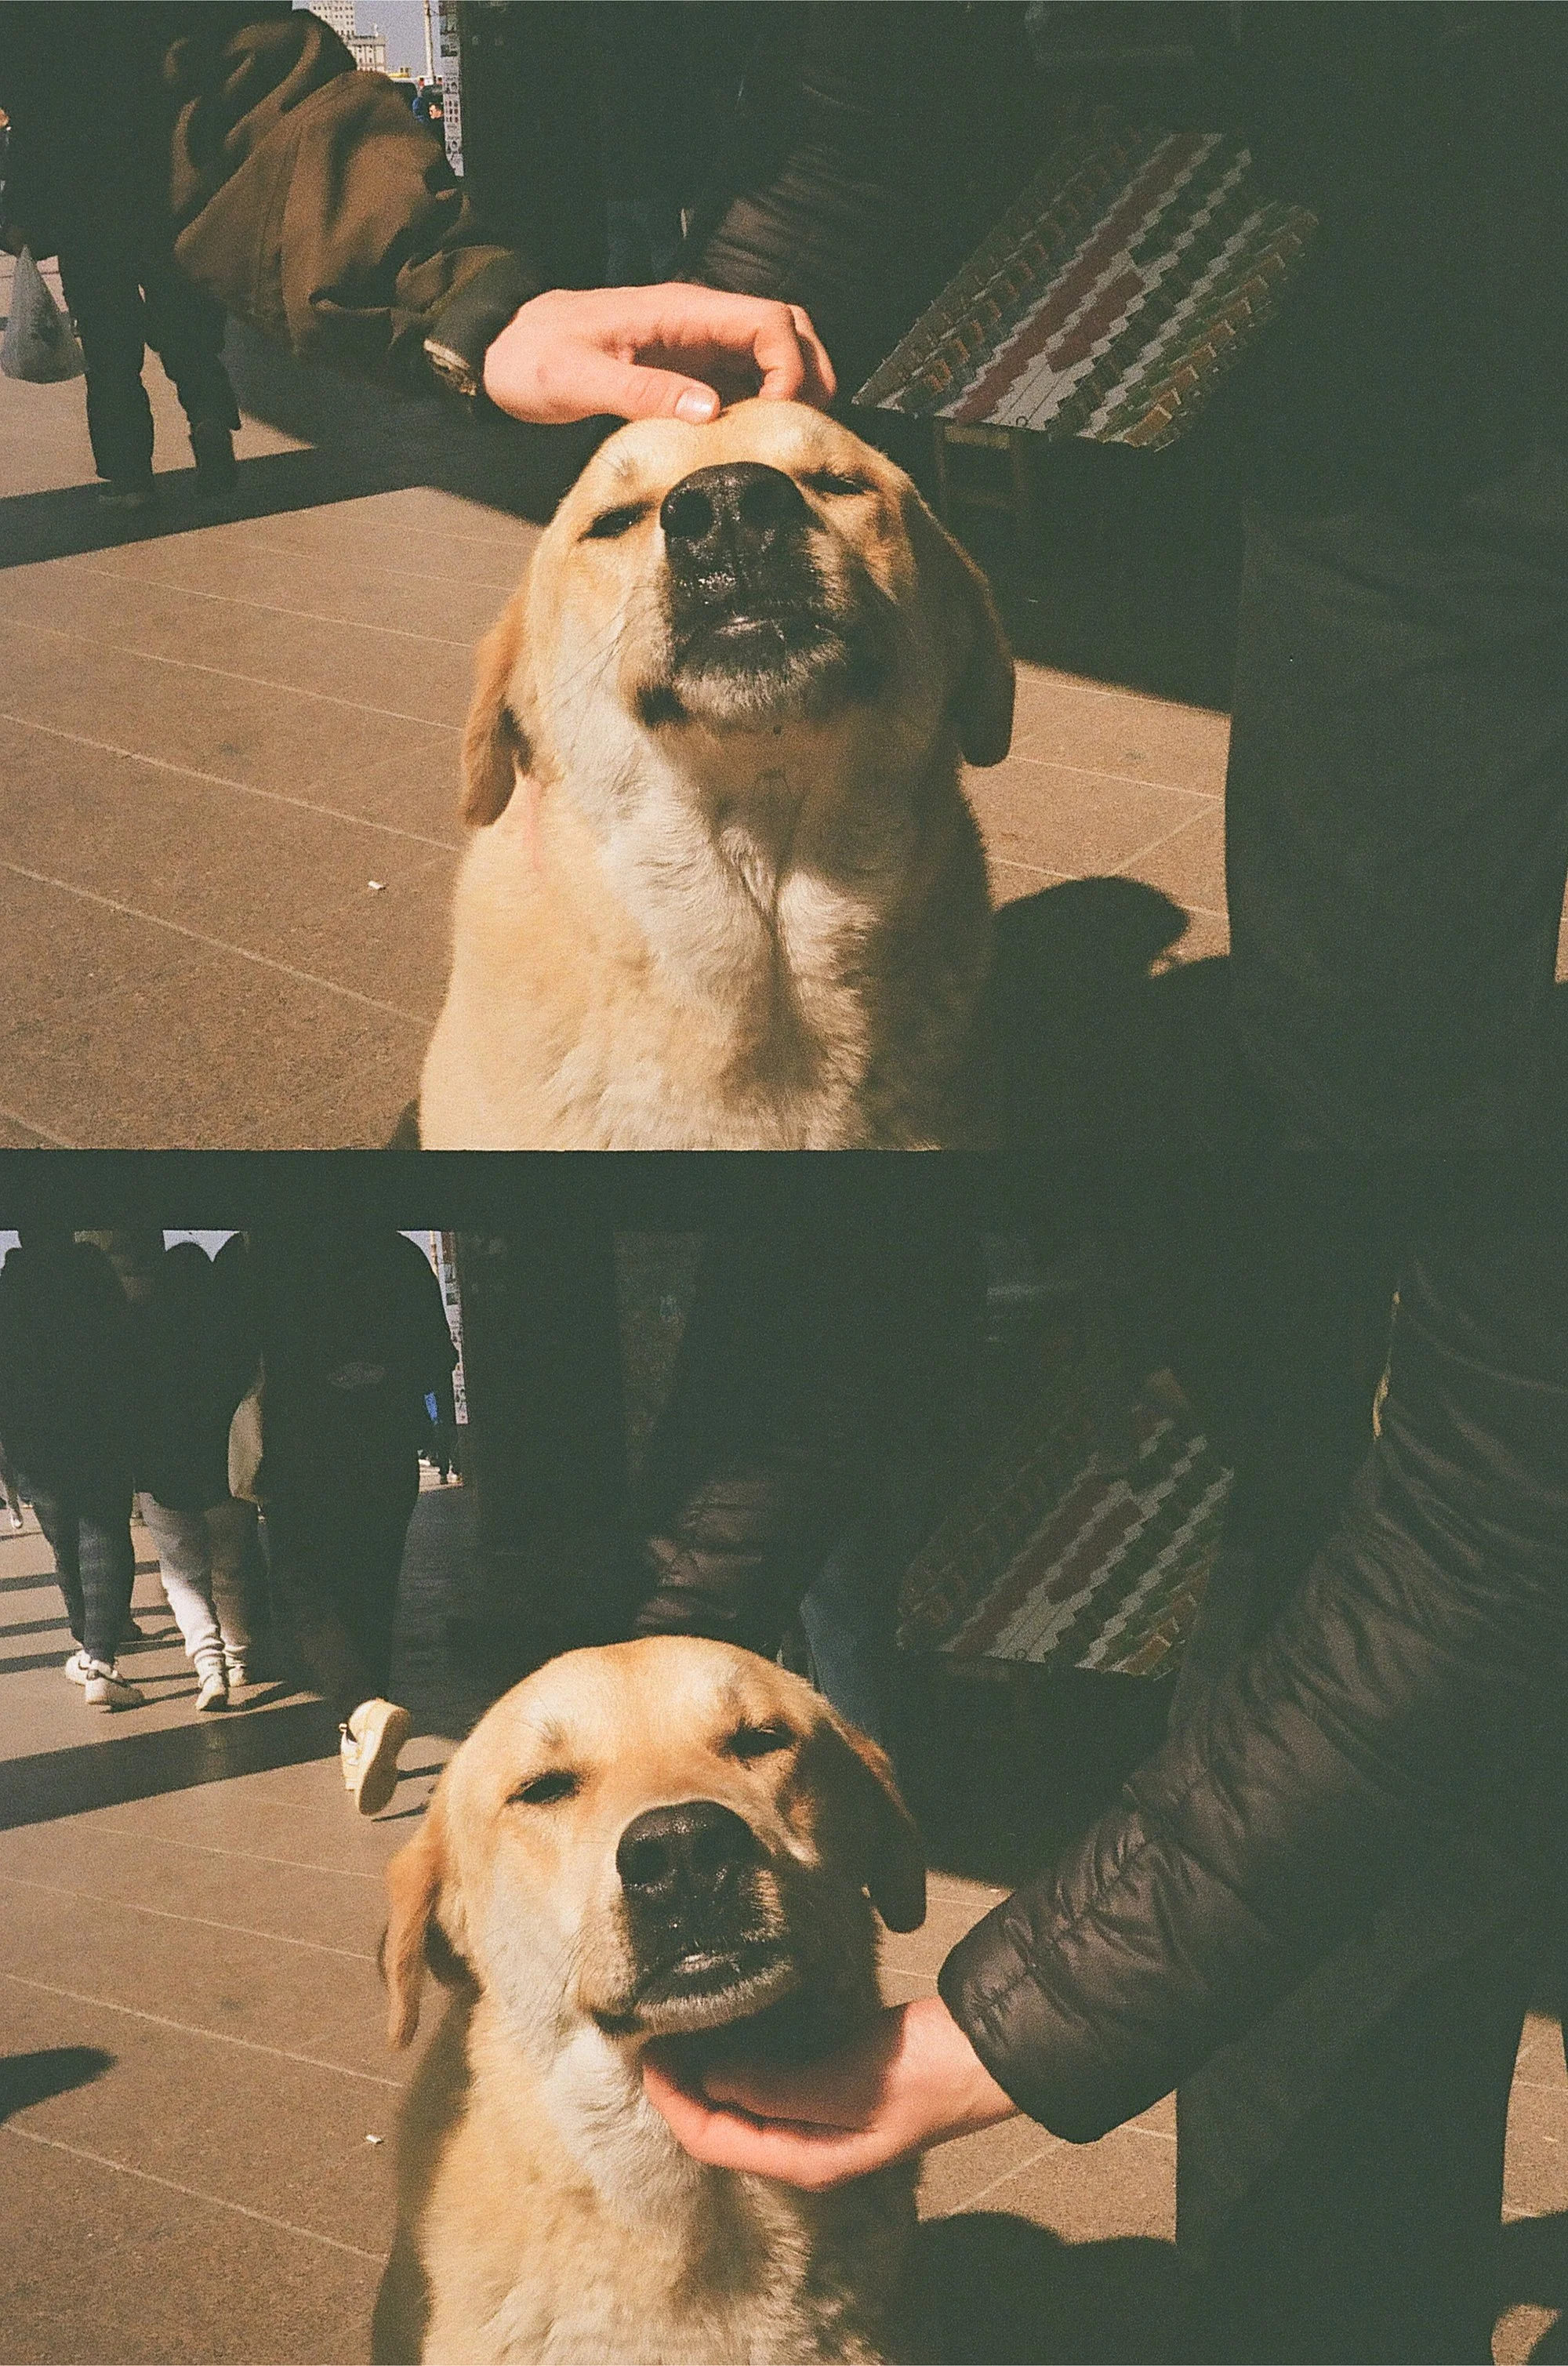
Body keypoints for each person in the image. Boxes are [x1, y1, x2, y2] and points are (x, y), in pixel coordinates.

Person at [220, 1226, 457, 1815]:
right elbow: (436, 1354)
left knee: (304, 1595)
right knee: (373, 1593)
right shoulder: (398, 1251)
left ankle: (363, 1709)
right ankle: (358, 1738)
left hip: (304, 1450)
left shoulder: (269, 1253)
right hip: (387, 1448)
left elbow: (226, 1353)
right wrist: (382, 1375)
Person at [0, 6, 241, 508]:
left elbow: (30, 122)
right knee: (186, 327)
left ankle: (133, 477)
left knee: (110, 348)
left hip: (87, 205)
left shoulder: (44, 30)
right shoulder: (149, 22)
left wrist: (22, 212)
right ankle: (210, 420)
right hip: (165, 191)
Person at [0, 1228, 143, 1709]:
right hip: (99, 1427)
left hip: (33, 1439)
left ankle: (85, 1642)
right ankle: (101, 1659)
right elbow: (128, 1350)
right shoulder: (93, 1276)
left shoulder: (9, 1287)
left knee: (64, 1541)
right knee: (103, 1532)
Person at [131, 1237, 266, 1711]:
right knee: (232, 1567)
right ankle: (241, 1655)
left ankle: (209, 1668)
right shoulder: (229, 1331)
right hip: (223, 1469)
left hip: (161, 1473)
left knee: (183, 1577)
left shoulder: (142, 1336)